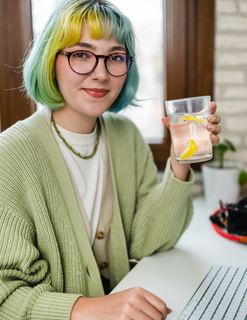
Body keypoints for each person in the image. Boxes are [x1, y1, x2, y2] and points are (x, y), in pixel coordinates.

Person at [0, 0, 221, 319]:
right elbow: (5, 296)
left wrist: (180, 157)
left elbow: (150, 243)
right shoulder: (10, 155)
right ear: (51, 60)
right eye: (81, 54)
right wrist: (90, 308)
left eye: (115, 57)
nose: (101, 74)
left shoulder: (125, 134)